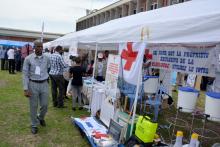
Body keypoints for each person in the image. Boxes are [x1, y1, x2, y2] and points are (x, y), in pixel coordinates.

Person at [22, 40, 50, 134]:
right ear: (34, 47)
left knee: (45, 105)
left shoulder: (46, 58)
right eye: (38, 46)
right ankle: (34, 124)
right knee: (33, 106)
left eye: (41, 46)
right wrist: (26, 89)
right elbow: (25, 74)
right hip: (33, 84)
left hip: (44, 84)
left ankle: (41, 117)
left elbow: (48, 68)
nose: (40, 48)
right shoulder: (28, 59)